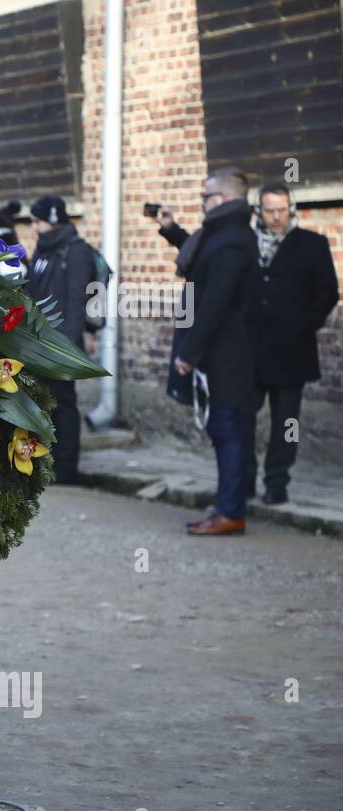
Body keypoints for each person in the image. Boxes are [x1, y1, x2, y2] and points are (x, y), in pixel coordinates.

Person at [155, 167, 257, 535]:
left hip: (226, 353)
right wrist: (171, 229)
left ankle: (231, 511)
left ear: (225, 199)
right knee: (226, 428)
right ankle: (228, 505)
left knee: (227, 428)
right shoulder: (223, 233)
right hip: (220, 350)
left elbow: (215, 303)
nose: (202, 201)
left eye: (206, 196)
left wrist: (189, 351)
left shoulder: (232, 240)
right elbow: (200, 255)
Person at [238, 185, 338, 505]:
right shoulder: (243, 244)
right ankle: (244, 479)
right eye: (270, 210)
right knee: (242, 419)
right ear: (259, 211)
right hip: (249, 351)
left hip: (292, 351)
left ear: (290, 208)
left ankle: (277, 483)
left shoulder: (312, 244)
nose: (277, 216)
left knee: (287, 425)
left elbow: (327, 292)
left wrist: (304, 326)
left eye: (283, 209)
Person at [26, 195, 96, 484]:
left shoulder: (75, 250)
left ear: (50, 220)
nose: (33, 226)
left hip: (61, 343)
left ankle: (66, 467)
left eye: (37, 220)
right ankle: (45, 462)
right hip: (38, 340)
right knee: (44, 401)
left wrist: (66, 348)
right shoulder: (43, 250)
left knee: (64, 403)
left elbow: (77, 300)